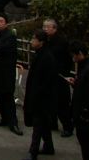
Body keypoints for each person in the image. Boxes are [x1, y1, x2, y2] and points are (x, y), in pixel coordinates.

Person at [22, 30, 60, 160]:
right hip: (39, 95)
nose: (32, 41)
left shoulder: (46, 57)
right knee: (42, 124)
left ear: (41, 42)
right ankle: (48, 146)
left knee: (38, 125)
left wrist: (36, 95)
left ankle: (33, 152)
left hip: (42, 97)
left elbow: (46, 81)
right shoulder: (40, 55)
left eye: (34, 39)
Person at [43, 18, 75, 137]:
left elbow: (67, 59)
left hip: (60, 74)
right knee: (50, 101)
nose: (45, 29)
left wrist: (64, 72)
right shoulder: (46, 40)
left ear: (54, 28)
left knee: (62, 103)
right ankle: (52, 122)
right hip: (49, 75)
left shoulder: (61, 41)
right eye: (44, 27)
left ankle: (68, 127)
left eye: (48, 27)